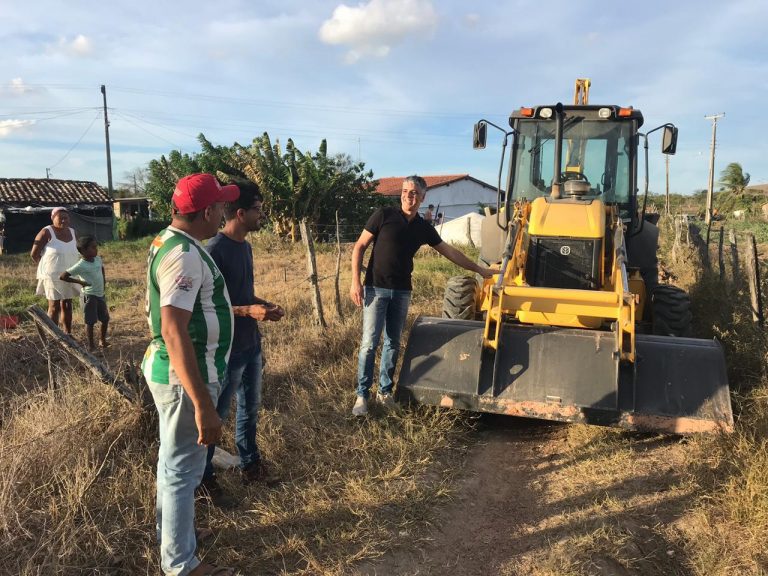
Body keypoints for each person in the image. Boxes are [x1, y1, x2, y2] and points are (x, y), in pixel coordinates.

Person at [142, 173, 239, 576]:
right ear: (206, 211)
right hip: (188, 378)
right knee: (184, 472)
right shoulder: (183, 254)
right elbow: (172, 328)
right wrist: (203, 403)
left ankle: (173, 547)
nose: (224, 211)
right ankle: (181, 565)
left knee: (173, 464)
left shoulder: (170, 241)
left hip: (177, 373)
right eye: (220, 206)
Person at [349, 175, 495, 416]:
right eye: (406, 191)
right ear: (401, 194)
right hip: (376, 288)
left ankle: (384, 392)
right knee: (369, 343)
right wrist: (356, 281)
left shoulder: (423, 227)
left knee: (393, 343)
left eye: (415, 193)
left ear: (423, 197)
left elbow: (450, 252)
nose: (410, 196)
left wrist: (479, 269)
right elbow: (359, 246)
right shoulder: (383, 215)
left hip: (402, 291)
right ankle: (361, 396)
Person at [200, 182, 285, 499]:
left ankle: (251, 465)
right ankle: (204, 480)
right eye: (258, 210)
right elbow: (208, 306)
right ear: (240, 213)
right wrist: (249, 310)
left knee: (251, 407)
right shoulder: (214, 251)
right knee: (216, 416)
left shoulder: (246, 247)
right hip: (228, 350)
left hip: (251, 344)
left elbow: (241, 297)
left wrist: (263, 306)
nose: (262, 216)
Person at [30, 207, 80, 334]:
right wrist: (46, 268)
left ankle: (67, 335)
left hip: (69, 274)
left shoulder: (73, 232)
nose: (64, 220)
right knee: (54, 306)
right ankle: (53, 337)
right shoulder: (46, 232)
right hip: (52, 276)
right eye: (60, 217)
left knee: (68, 305)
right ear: (53, 218)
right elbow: (34, 254)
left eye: (66, 217)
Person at [60, 235, 110, 351]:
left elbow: (101, 268)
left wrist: (104, 280)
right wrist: (80, 282)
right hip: (89, 296)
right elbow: (63, 276)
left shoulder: (97, 259)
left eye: (96, 247)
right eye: (93, 247)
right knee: (90, 321)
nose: (96, 249)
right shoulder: (80, 265)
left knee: (105, 319)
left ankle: (102, 340)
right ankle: (91, 346)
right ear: (83, 251)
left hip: (100, 294)